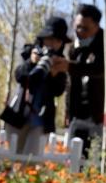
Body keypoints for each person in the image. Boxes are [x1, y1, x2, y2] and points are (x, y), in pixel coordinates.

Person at [62, 3, 106, 157]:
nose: (80, 31)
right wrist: (68, 109)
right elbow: (70, 82)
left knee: (99, 157)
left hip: (100, 111)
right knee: (76, 158)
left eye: (85, 28)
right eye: (77, 27)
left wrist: (69, 66)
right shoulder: (73, 46)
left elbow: (101, 69)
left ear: (96, 26)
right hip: (78, 112)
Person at [7, 15, 70, 156]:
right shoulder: (30, 53)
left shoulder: (60, 62)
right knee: (12, 157)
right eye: (50, 38)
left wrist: (54, 74)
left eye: (58, 40)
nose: (53, 43)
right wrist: (31, 62)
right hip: (18, 114)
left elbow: (59, 91)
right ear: (43, 38)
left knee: (31, 160)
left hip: (41, 120)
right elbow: (19, 76)